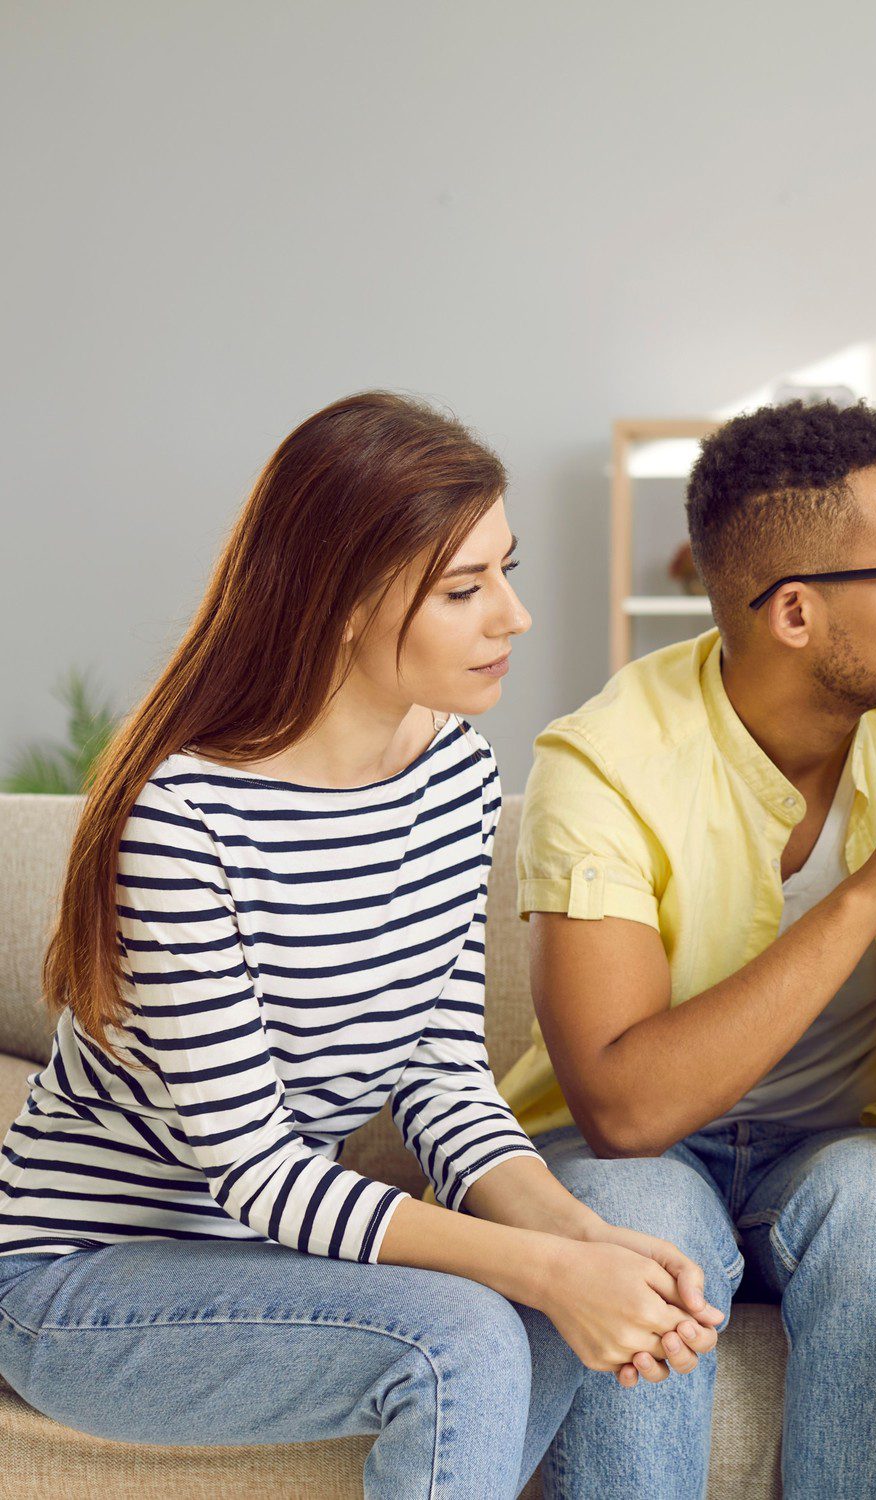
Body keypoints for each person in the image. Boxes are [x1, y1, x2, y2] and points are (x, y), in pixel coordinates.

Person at [0, 392, 723, 1498]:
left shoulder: (456, 777)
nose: (513, 617)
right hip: (81, 1286)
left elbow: (438, 1074)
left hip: (274, 1265)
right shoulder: (184, 817)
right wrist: (546, 1267)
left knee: (560, 1314)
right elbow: (253, 1171)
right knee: (474, 1333)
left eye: (506, 571)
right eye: (462, 589)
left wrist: (587, 1247)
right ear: (339, 604)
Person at [496, 399, 876, 1497]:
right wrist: (868, 891)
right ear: (794, 612)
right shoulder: (601, 764)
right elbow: (623, 1109)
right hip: (630, 1157)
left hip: (848, 1140)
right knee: (639, 1225)